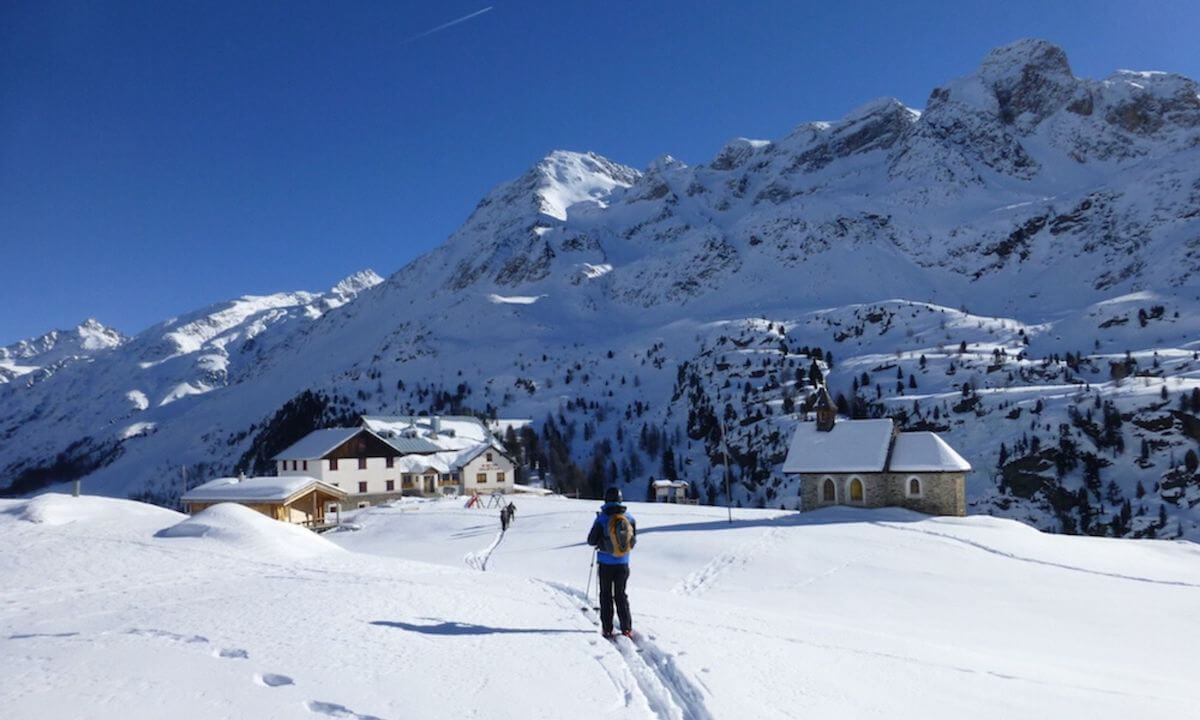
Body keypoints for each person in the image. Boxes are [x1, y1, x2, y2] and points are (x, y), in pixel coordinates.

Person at [586, 487, 636, 639]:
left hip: (606, 563)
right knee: (621, 595)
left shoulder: (602, 518)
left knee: (606, 595)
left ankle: (608, 629)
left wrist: (603, 542)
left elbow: (591, 540)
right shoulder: (629, 517)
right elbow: (632, 541)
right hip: (623, 563)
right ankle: (626, 628)